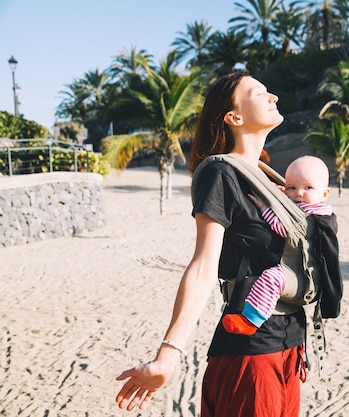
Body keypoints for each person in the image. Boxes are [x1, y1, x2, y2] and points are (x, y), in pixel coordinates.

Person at [114, 73, 307, 416]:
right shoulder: (220, 175)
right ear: (234, 117)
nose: (273, 96)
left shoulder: (269, 178)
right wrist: (168, 354)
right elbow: (203, 266)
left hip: (289, 347)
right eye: (259, 93)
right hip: (251, 357)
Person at [222, 155, 333, 336]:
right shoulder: (310, 206)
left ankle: (251, 320)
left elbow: (283, 227)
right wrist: (281, 197)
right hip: (298, 269)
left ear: (325, 194)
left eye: (308, 188)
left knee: (271, 278)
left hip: (302, 276)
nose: (298, 193)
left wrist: (265, 205)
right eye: (292, 187)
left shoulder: (314, 213)